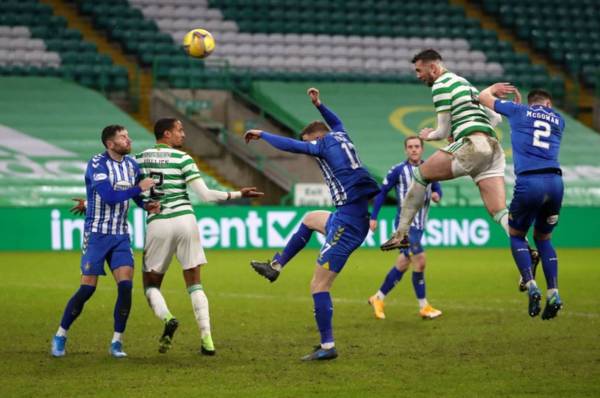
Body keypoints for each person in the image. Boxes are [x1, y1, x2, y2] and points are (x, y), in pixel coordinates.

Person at [245, 88, 380, 361]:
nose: (311, 150)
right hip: (348, 216)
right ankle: (277, 265)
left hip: (348, 223)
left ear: (317, 137)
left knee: (319, 286)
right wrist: (320, 105)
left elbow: (292, 146)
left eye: (311, 144)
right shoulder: (341, 134)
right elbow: (337, 121)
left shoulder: (323, 144)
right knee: (309, 219)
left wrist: (263, 135)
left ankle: (328, 347)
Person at [136, 118, 263, 355]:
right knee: (194, 283)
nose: (183, 134)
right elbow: (205, 196)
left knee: (151, 285)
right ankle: (207, 339)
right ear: (166, 134)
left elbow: (127, 189)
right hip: (186, 221)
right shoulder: (183, 159)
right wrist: (237, 194)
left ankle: (168, 319)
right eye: (179, 130)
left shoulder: (139, 159)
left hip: (158, 223)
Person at [380, 49, 508, 251]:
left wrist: (427, 135)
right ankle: (524, 248)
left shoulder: (440, 85)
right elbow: (496, 119)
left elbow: (441, 132)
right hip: (493, 148)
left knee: (420, 175)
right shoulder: (463, 82)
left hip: (472, 145)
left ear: (433, 67)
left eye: (419, 70)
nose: (418, 76)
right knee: (499, 211)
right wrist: (462, 128)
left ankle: (401, 234)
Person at [51, 125, 159, 358]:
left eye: (128, 136)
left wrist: (146, 204)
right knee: (87, 289)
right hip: (97, 235)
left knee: (126, 286)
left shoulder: (131, 165)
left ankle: (117, 342)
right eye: (123, 137)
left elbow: (137, 196)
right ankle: (61, 334)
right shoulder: (97, 164)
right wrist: (138, 188)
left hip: (120, 235)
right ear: (110, 144)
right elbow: (109, 197)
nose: (128, 140)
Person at [479, 84, 565, 319]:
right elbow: (538, 121)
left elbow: (483, 97)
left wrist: (496, 90)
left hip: (530, 183)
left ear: (531, 102)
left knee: (516, 234)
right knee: (544, 238)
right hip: (555, 183)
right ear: (548, 104)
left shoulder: (519, 112)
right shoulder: (559, 119)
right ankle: (554, 292)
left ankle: (531, 284)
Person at [368, 136, 443, 320]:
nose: (414, 149)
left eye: (417, 146)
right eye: (410, 147)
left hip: (419, 226)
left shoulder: (430, 168)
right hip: (405, 226)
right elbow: (382, 192)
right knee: (420, 259)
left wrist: (436, 194)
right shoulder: (398, 170)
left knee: (403, 264)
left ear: (422, 149)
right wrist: (374, 216)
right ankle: (424, 306)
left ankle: (378, 298)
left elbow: (438, 188)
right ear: (405, 150)